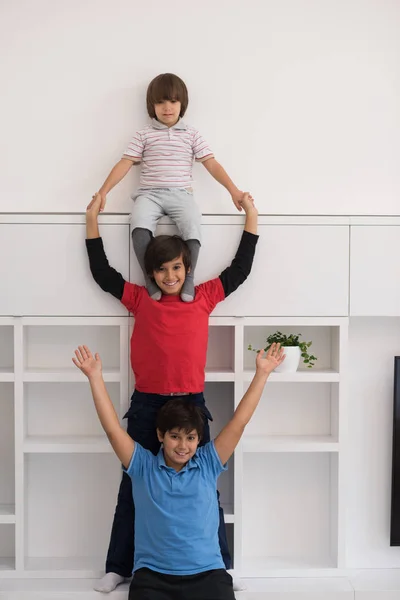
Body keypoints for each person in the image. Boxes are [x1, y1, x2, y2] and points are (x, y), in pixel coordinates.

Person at [85, 191, 258, 592]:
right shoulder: (140, 299)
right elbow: (103, 273)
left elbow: (241, 268)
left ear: (187, 268)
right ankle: (118, 565)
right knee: (133, 486)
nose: (169, 276)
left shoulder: (205, 297)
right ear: (151, 272)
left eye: (176, 268)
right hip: (148, 403)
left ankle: (220, 566)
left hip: (192, 402)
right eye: (161, 269)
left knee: (204, 489)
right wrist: (92, 220)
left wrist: (251, 215)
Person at [72, 343, 285, 600]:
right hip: (152, 578)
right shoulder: (143, 466)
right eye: (175, 437)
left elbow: (239, 422)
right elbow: (113, 430)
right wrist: (95, 377)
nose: (183, 446)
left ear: (199, 440)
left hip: (209, 574)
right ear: (161, 435)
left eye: (191, 438)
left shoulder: (207, 463)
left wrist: (262, 374)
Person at [87, 72, 245, 302]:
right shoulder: (143, 134)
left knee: (192, 223)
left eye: (172, 101)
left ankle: (188, 277)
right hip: (149, 195)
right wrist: (102, 192)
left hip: (181, 194)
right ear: (152, 106)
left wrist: (234, 191)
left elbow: (211, 164)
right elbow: (125, 163)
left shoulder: (191, 135)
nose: (167, 107)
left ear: (182, 104)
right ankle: (150, 278)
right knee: (138, 225)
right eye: (160, 102)